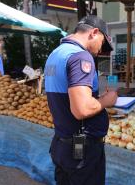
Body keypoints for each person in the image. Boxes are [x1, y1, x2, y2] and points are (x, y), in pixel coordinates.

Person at [44, 15, 118, 185]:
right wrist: (107, 100)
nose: (101, 49)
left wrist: (95, 98)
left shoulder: (55, 55)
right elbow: (81, 109)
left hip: (61, 142)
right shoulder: (80, 57)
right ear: (94, 32)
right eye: (103, 43)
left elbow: (67, 96)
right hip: (80, 147)